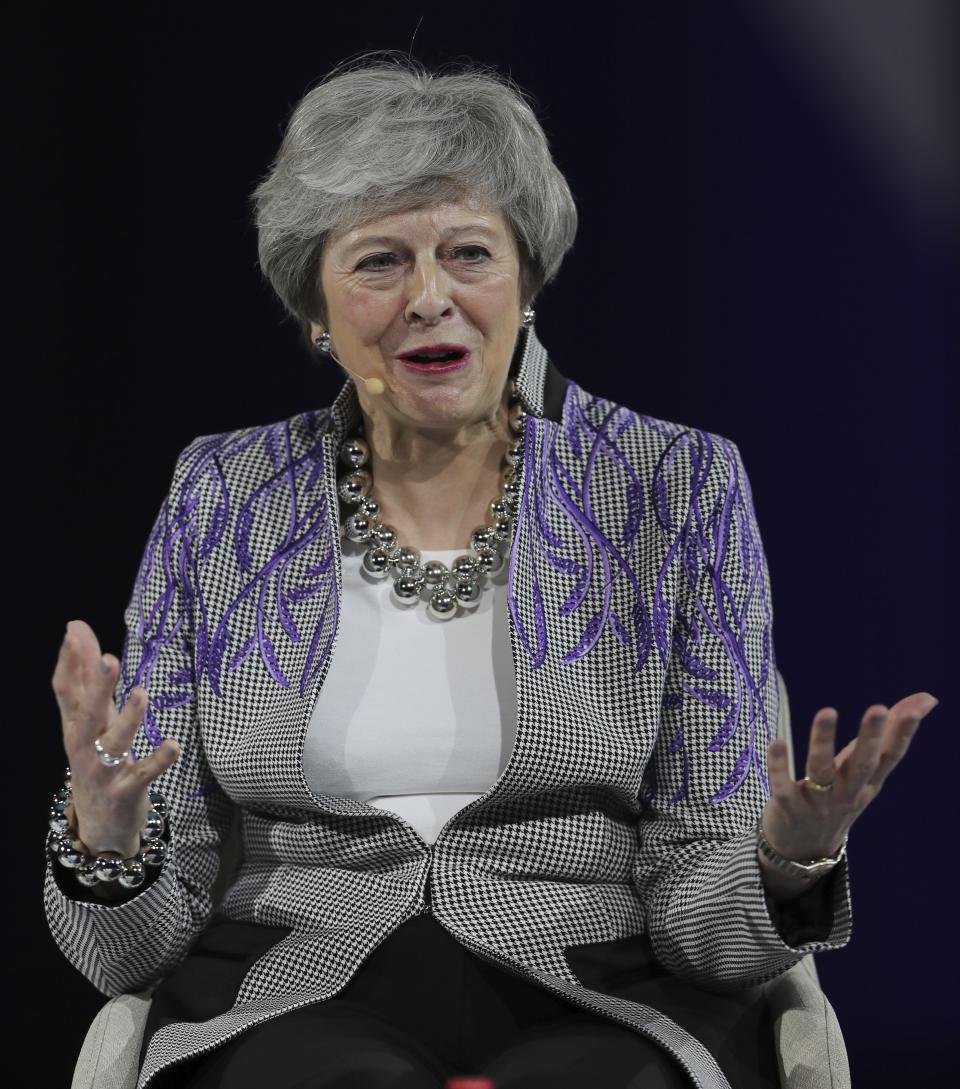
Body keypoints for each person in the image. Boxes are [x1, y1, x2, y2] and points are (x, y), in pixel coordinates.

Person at [45, 52, 938, 1089]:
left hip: (606, 982)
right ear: (316, 311)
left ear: (525, 281)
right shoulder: (224, 496)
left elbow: (712, 931)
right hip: (293, 979)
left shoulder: (676, 487)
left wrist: (785, 861)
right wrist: (108, 843)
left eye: (469, 253)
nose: (431, 298)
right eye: (380, 262)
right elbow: (134, 953)